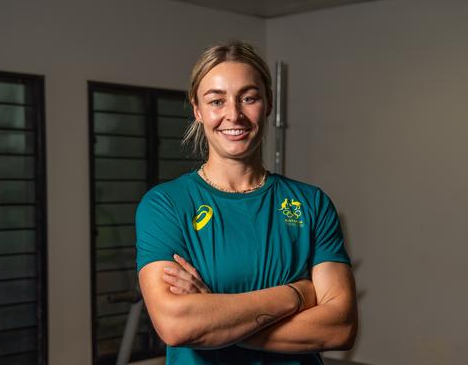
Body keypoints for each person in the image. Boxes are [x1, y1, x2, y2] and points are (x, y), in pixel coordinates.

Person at [136, 40, 357, 364]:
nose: (234, 115)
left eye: (248, 98)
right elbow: (176, 325)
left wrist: (217, 320)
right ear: (197, 109)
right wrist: (296, 294)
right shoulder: (166, 205)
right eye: (216, 101)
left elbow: (340, 328)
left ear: (268, 103)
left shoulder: (311, 203)